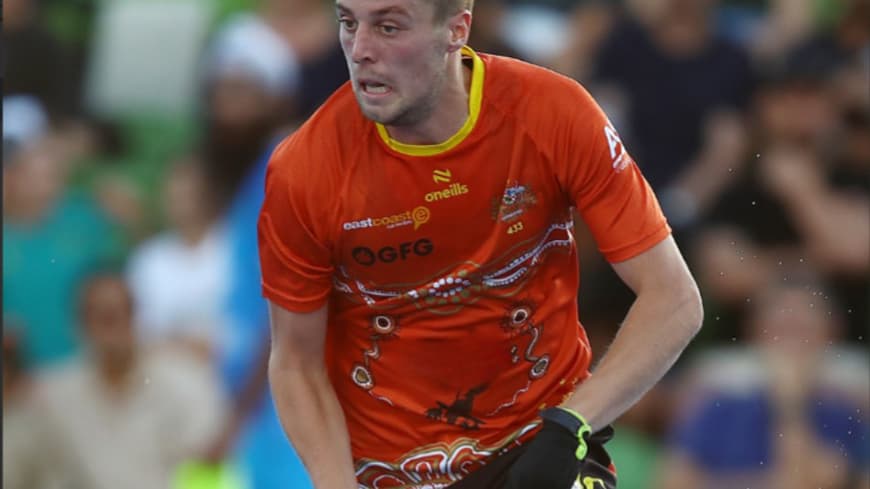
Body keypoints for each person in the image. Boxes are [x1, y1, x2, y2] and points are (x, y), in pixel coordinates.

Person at [256, 1, 704, 488]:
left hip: (539, 447)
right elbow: (295, 362)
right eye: (348, 23)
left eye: (388, 27)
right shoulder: (304, 170)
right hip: (393, 474)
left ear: (456, 29)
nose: (360, 50)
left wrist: (571, 424)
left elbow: (674, 299)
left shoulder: (554, 112)